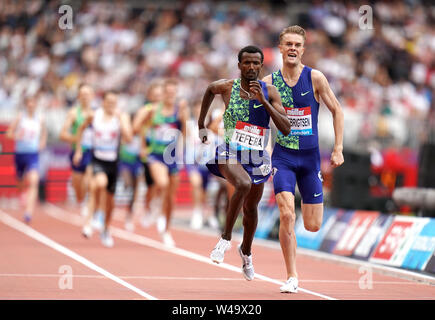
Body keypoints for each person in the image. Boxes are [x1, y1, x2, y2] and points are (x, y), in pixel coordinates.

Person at [262, 25, 344, 293]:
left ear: (303, 49)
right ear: (281, 47)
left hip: (309, 160)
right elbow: (256, 117)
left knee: (312, 224)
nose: (293, 49)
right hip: (283, 157)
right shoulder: (270, 83)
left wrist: (338, 148)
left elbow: (337, 110)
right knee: (287, 214)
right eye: (289, 44)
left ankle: (296, 228)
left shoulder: (316, 78)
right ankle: (292, 276)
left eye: (298, 44)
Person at [198, 45, 290, 281]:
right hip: (229, 151)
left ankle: (246, 252)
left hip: (257, 157)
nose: (251, 67)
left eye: (255, 63)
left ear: (261, 66)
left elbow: (286, 128)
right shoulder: (227, 87)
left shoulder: (270, 92)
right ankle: (225, 239)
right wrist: (201, 124)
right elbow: (209, 90)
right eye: (246, 63)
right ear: (239, 65)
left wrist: (264, 102)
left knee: (251, 209)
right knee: (243, 184)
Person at [133, 78, 188, 247]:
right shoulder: (153, 110)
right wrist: (143, 144)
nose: (170, 95)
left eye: (173, 93)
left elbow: (184, 132)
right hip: (155, 155)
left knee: (171, 198)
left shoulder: (179, 111)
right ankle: (155, 205)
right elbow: (137, 128)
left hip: (171, 156)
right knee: (162, 183)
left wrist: (181, 151)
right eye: (167, 92)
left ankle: (166, 230)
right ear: (163, 93)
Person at [74, 91, 133, 247]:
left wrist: (122, 122)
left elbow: (128, 139)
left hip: (113, 162)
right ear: (103, 102)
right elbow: (80, 129)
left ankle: (106, 229)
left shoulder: (122, 117)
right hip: (97, 159)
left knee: (110, 202)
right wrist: (79, 150)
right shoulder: (94, 115)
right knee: (98, 184)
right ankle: (88, 223)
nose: (111, 105)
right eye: (108, 102)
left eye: (114, 102)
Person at [7, 95, 47, 223]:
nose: (31, 105)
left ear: (36, 104)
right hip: (20, 153)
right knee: (20, 182)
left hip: (33, 154)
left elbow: (44, 133)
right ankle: (22, 192)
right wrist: (16, 135)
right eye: (29, 103)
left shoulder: (40, 118)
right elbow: (8, 133)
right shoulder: (20, 117)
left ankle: (29, 212)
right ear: (26, 104)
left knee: (34, 180)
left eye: (33, 103)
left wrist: (42, 142)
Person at [59, 84, 94, 217]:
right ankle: (82, 200)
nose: (85, 97)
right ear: (78, 96)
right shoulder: (74, 113)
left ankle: (89, 204)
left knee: (89, 181)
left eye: (88, 94)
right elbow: (62, 134)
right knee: (78, 187)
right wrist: (77, 138)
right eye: (82, 94)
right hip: (77, 153)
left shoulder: (96, 113)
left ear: (92, 96)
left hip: (92, 152)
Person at [134, 80, 164, 228]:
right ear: (150, 95)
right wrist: (142, 147)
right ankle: (148, 207)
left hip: (165, 151)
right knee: (151, 184)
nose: (158, 97)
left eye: (160, 94)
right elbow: (137, 129)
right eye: (155, 94)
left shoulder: (168, 109)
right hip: (150, 150)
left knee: (162, 183)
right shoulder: (146, 109)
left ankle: (156, 207)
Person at [185, 100, 219, 230]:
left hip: (209, 163)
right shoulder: (190, 126)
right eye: (198, 110)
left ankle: (210, 214)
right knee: (196, 183)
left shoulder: (213, 127)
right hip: (193, 162)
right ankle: (197, 213)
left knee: (208, 191)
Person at [118, 112, 143, 232]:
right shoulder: (126, 132)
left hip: (137, 163)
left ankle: (129, 216)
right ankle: (124, 184)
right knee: (128, 184)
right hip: (125, 163)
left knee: (135, 191)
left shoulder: (142, 132)